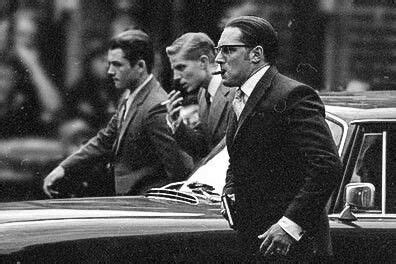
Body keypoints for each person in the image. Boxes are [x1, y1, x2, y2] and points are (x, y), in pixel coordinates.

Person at [215, 16, 343, 262]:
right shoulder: (239, 97)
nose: (219, 58)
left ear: (256, 54)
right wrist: (230, 190)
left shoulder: (294, 95)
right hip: (257, 240)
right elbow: (239, 157)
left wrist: (290, 224)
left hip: (295, 247)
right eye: (218, 50)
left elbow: (326, 166)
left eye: (228, 50)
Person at [43, 29, 193, 197]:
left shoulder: (155, 106)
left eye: (117, 65)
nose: (110, 71)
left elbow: (178, 168)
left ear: (140, 66)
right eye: (110, 64)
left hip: (143, 204)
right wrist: (64, 167)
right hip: (126, 198)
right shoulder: (131, 96)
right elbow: (105, 139)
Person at [165, 32, 235, 161]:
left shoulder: (234, 92)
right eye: (174, 69)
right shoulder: (203, 94)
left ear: (203, 62)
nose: (176, 77)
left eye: (181, 67)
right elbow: (202, 146)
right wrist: (176, 122)